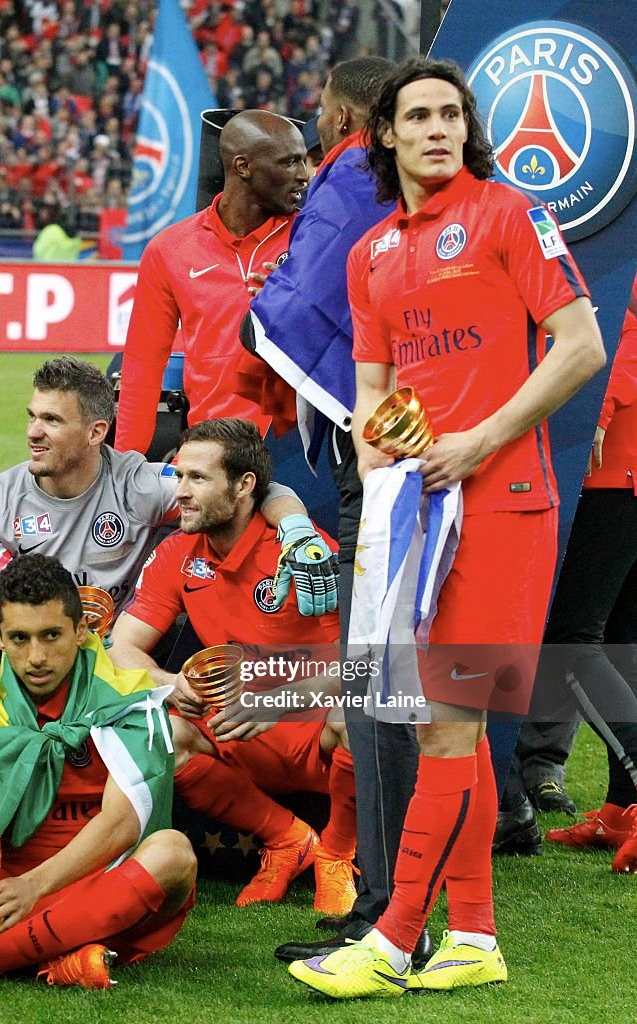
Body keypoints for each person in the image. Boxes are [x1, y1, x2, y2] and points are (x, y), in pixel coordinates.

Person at [288, 55, 604, 999]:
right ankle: (472, 938)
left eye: (449, 115)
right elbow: (375, 389)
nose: (435, 129)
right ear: (383, 135)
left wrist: (480, 441)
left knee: (443, 731)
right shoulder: (370, 251)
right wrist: (381, 447)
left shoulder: (512, 216)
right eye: (416, 116)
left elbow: (581, 343)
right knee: (434, 726)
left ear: (467, 129)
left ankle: (391, 943)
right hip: (415, 515)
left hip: (504, 508)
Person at [240, 57, 428, 965]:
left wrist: (258, 318)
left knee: (383, 691)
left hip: (388, 459)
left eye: (321, 114)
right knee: (401, 691)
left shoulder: (358, 172)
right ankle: (399, 902)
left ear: (351, 112)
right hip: (424, 449)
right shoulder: (456, 205)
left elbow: (304, 302)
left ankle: (396, 910)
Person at [0, 554, 195, 988]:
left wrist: (32, 888)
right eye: (19, 638)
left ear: (81, 631)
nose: (35, 656)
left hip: (84, 885)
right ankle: (61, 955)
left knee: (173, 854)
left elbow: (121, 825)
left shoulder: (127, 696)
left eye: (51, 635)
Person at [110, 418, 356, 914]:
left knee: (359, 713)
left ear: (244, 486)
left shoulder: (305, 556)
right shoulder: (177, 553)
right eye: (179, 477)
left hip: (312, 732)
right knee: (161, 735)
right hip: (234, 726)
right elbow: (122, 648)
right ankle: (288, 839)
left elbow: (364, 666)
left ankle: (336, 853)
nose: (180, 492)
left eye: (197, 479)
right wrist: (168, 681)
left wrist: (278, 703)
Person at [0, 356, 337, 642]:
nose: (33, 432)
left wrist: (295, 527)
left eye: (52, 420)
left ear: (96, 432)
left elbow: (244, 490)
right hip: (32, 655)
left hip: (113, 657)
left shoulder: (137, 484)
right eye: (32, 416)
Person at [114, 109, 308, 456]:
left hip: (298, 453)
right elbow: (142, 366)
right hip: (212, 452)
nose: (304, 176)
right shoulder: (170, 250)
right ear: (243, 167)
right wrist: (126, 464)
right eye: (290, 163)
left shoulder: (313, 238)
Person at [544, 277, 637, 872]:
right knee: (621, 644)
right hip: (623, 470)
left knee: (570, 642)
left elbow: (622, 336)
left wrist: (598, 409)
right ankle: (620, 808)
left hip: (610, 470)